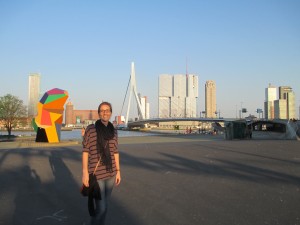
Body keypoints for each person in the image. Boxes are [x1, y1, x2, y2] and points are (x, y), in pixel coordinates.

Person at [82, 102, 121, 225]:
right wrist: (84, 173)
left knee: (105, 206)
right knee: (101, 207)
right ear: (99, 113)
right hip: (97, 174)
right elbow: (85, 151)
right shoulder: (91, 129)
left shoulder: (114, 131)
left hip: (111, 173)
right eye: (102, 110)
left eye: (107, 110)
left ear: (111, 112)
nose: (105, 112)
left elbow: (115, 152)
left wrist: (118, 171)